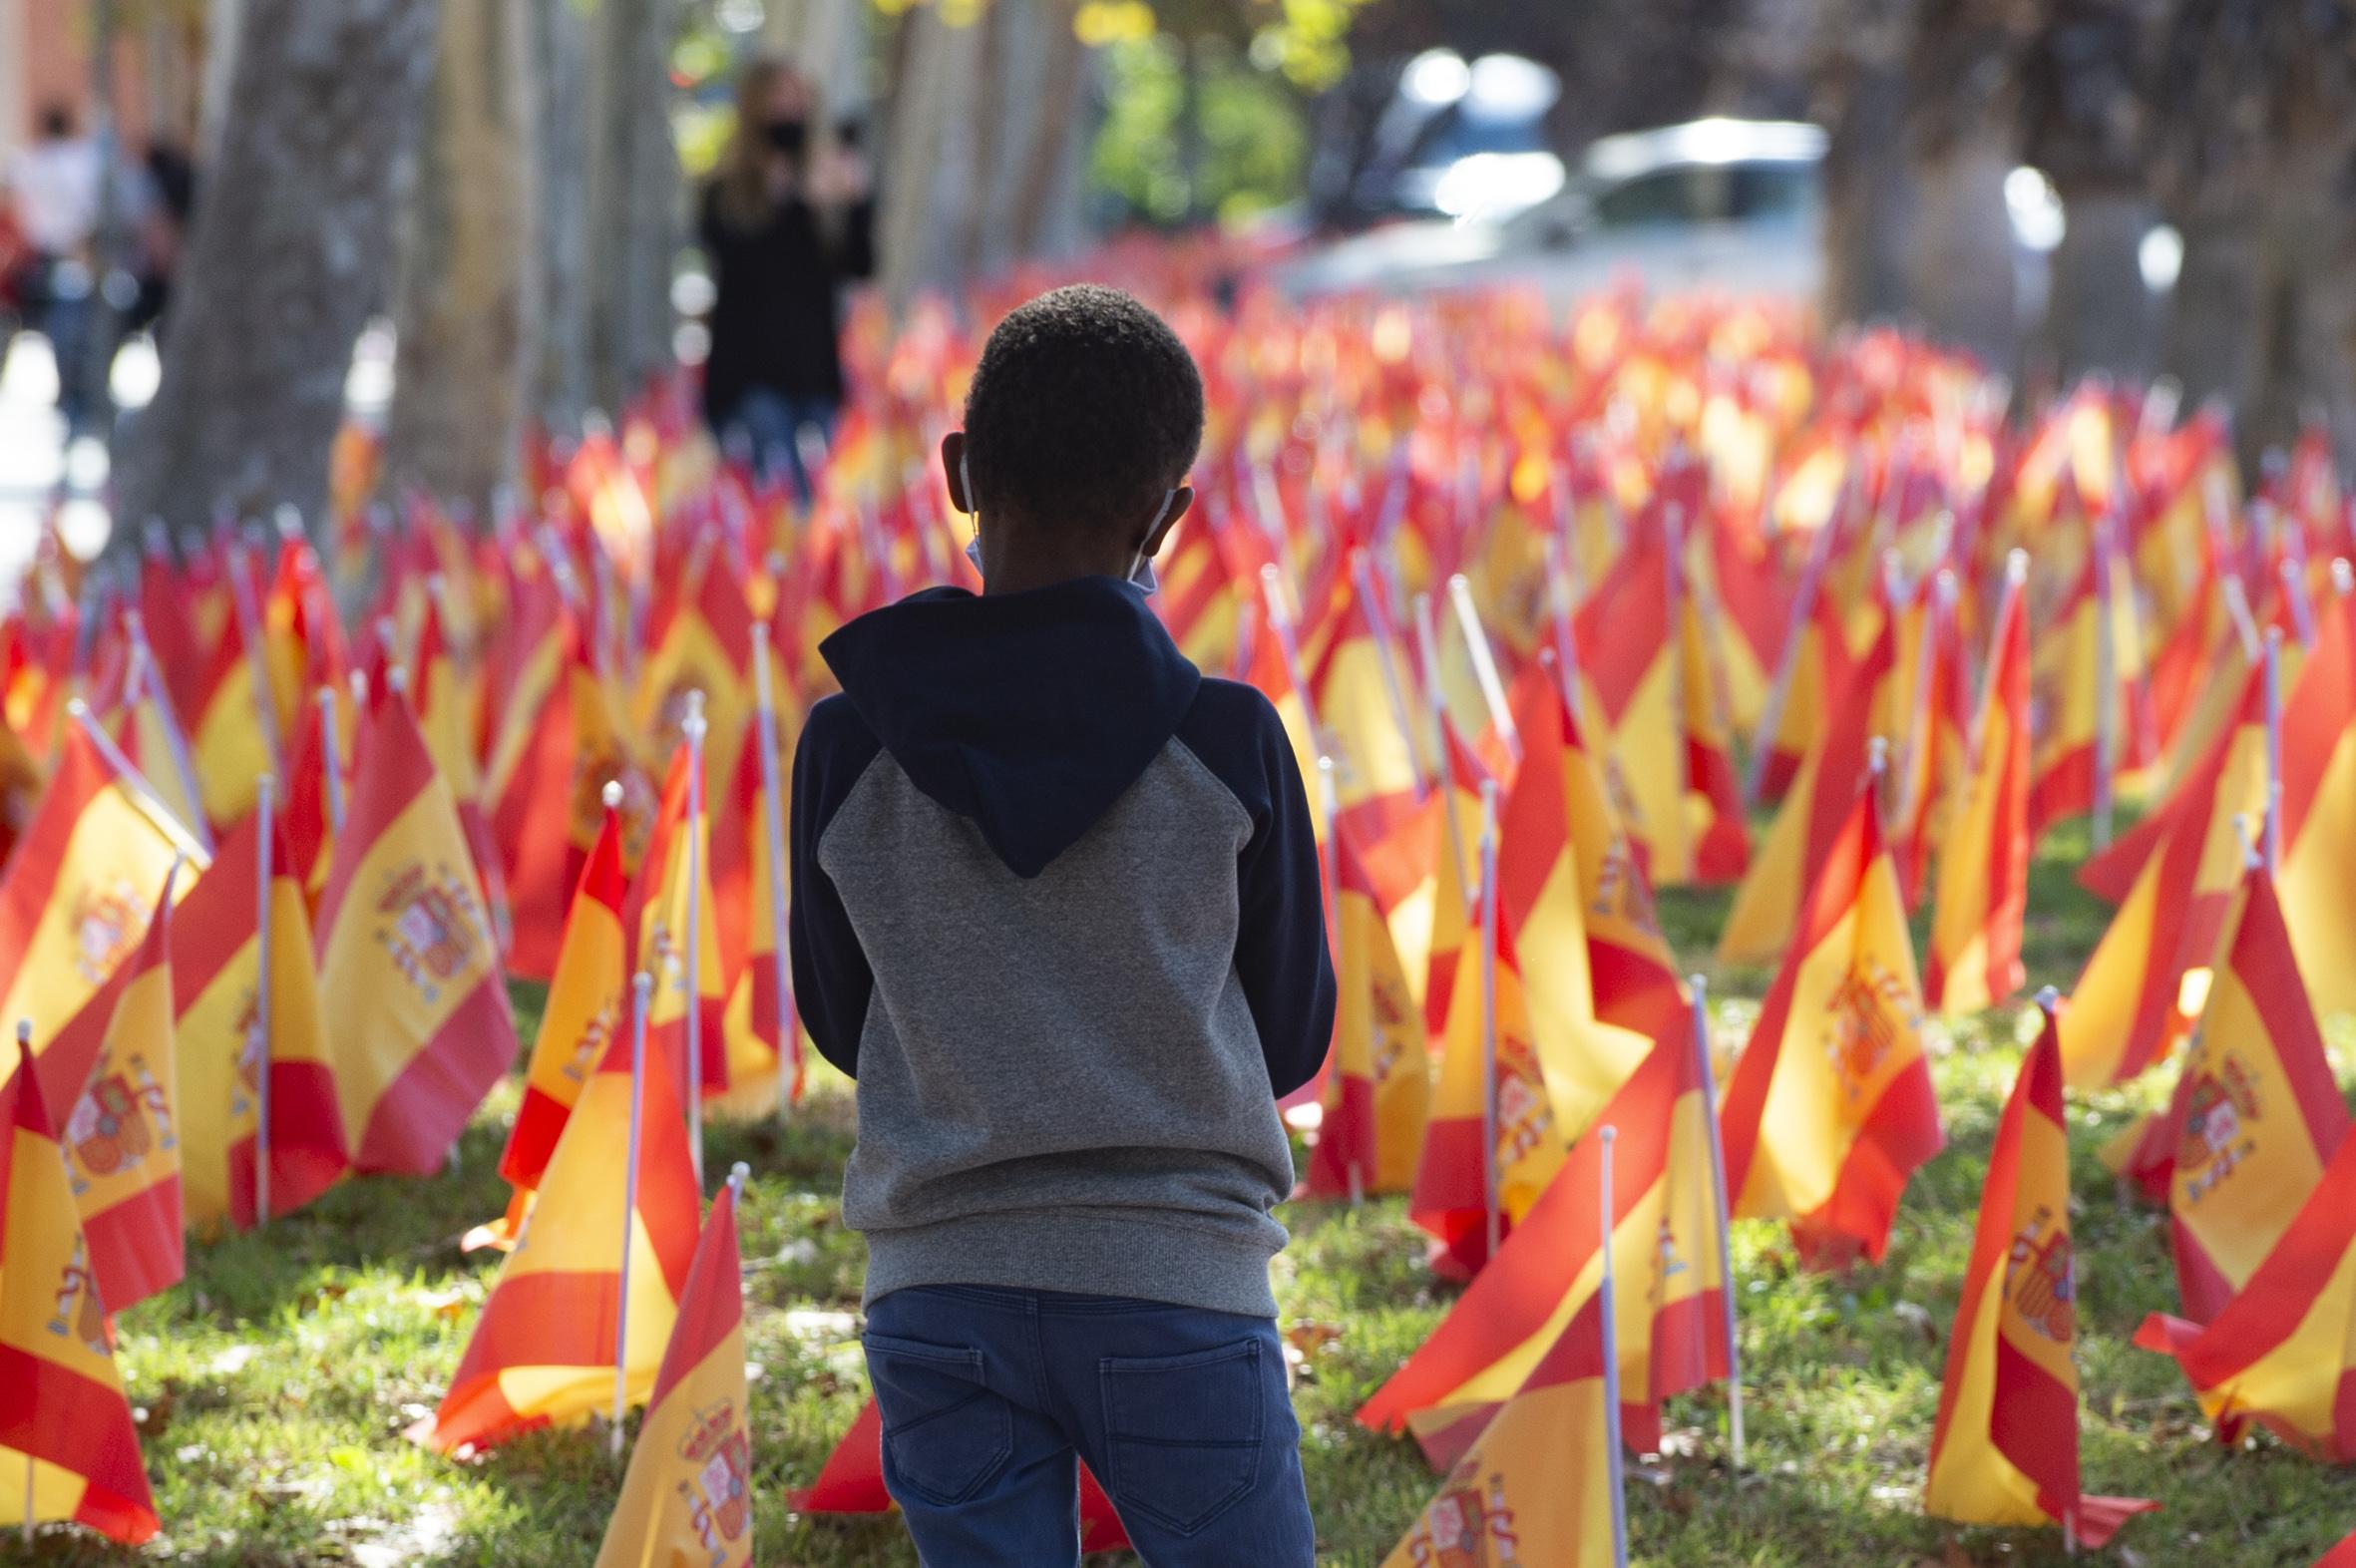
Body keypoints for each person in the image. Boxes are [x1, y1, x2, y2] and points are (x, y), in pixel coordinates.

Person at [788, 285, 1333, 1568]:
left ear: (962, 472)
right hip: (1179, 1290)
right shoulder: (1229, 741)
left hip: (935, 1285)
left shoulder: (846, 741)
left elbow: (835, 1015)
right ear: (1170, 517)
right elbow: (1294, 1029)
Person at [697, 57, 873, 500]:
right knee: (783, 500)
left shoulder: (823, 186)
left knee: (814, 505)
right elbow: (742, 269)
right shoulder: (723, 192)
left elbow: (860, 266)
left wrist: (854, 205)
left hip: (814, 376)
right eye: (778, 101)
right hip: (750, 379)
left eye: (798, 101)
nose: (789, 114)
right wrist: (789, 205)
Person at [4, 104, 102, 431]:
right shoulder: (82, 160)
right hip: (74, 255)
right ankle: (76, 399)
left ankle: (74, 400)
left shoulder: (33, 162)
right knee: (74, 331)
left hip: (50, 257)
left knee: (62, 330)